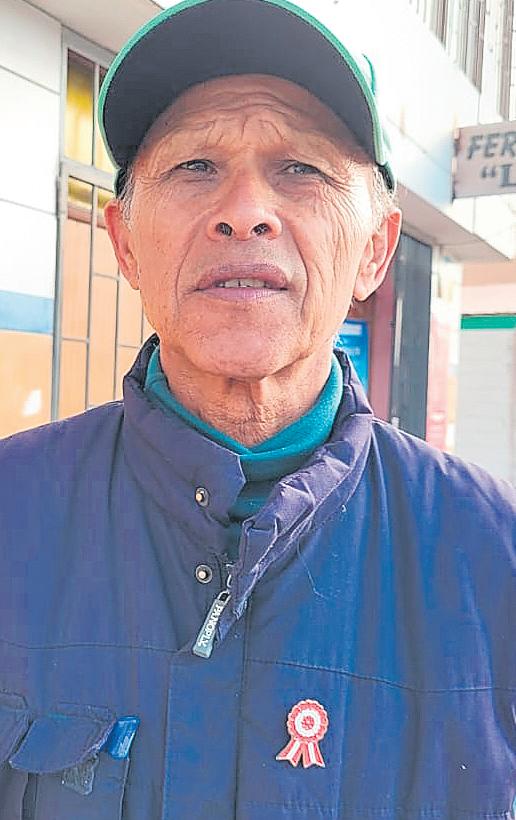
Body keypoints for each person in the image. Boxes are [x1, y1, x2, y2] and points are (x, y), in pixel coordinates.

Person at [0, 0, 514, 817]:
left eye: (301, 168)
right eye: (194, 165)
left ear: (374, 249)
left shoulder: (491, 553)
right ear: (126, 244)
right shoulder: (14, 508)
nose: (245, 209)